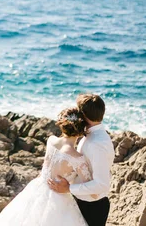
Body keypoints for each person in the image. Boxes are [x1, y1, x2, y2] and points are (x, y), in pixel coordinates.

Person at [0, 107, 92, 226]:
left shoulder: (51, 140)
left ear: (62, 124)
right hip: (59, 198)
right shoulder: (77, 158)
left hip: (38, 188)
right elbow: (91, 189)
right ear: (81, 129)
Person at [47, 93, 115, 226]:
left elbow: (102, 184)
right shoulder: (91, 136)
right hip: (82, 200)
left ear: (83, 116)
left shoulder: (96, 144)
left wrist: (69, 188)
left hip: (92, 206)